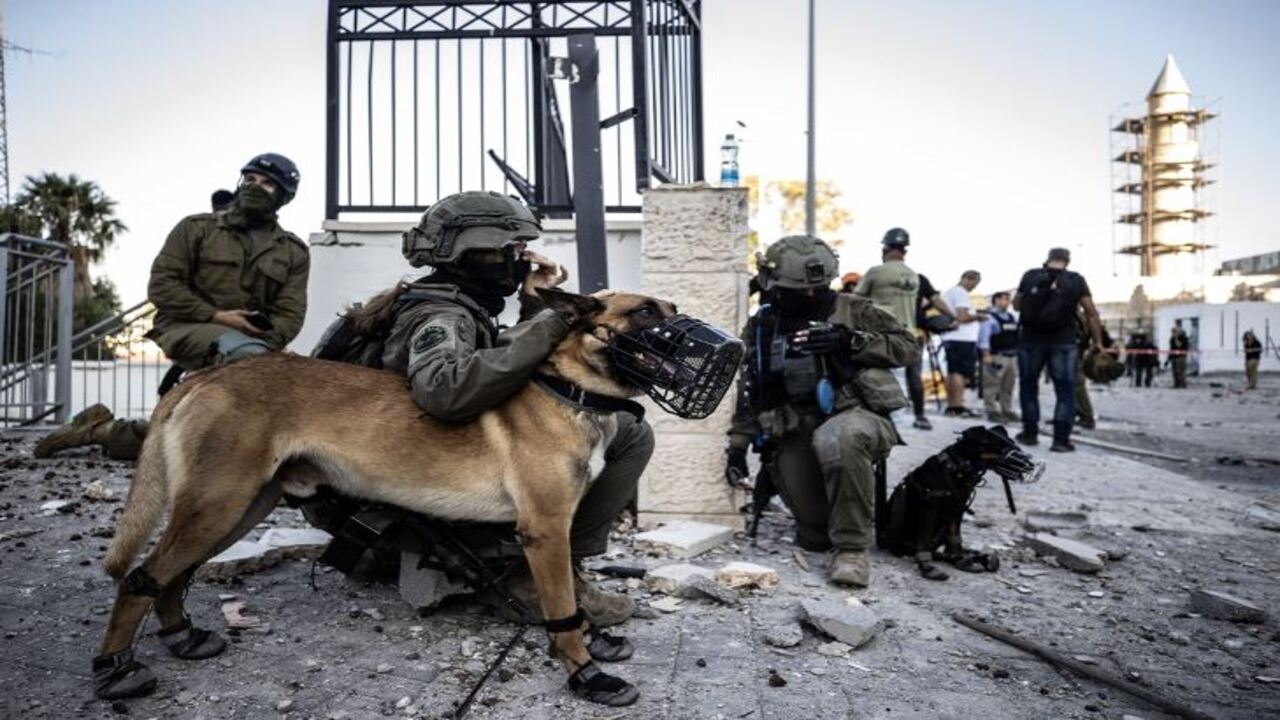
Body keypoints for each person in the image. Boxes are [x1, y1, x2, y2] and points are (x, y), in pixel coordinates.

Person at [376, 190, 652, 625]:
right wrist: (552, 317)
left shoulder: (463, 303)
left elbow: (504, 362)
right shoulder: (441, 315)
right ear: (470, 252)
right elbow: (445, 393)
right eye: (511, 249)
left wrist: (534, 303)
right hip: (424, 474)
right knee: (627, 435)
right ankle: (534, 570)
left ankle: (559, 563)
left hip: (453, 454)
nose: (523, 258)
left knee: (624, 427)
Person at [35, 153, 309, 461]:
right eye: (250, 179)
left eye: (267, 184)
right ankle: (259, 469)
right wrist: (218, 317)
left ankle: (103, 430)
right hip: (184, 326)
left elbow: (290, 313)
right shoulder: (196, 229)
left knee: (205, 432)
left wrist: (265, 347)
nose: (255, 187)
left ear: (283, 197)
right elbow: (162, 287)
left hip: (250, 345)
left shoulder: (293, 251)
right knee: (250, 368)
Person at [726, 235, 919, 587]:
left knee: (839, 437)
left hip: (858, 414)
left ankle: (852, 550)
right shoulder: (762, 327)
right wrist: (738, 446)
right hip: (797, 424)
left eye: (819, 289)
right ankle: (836, 527)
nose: (812, 297)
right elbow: (750, 388)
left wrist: (850, 342)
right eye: (801, 291)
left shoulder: (854, 309)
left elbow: (908, 347)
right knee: (815, 532)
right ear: (773, 284)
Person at [1013, 248, 1102, 452]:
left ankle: (1029, 434)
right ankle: (1060, 440)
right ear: (1067, 261)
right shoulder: (1075, 280)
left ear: (1048, 259)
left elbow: (1017, 305)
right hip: (1063, 341)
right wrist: (1097, 341)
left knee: (1028, 387)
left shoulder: (1030, 275)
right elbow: (1091, 312)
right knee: (1065, 391)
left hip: (1030, 340)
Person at [853, 228, 925, 426]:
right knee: (904, 378)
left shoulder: (877, 271)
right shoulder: (913, 276)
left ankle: (886, 421)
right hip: (908, 333)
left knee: (879, 377)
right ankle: (900, 420)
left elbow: (856, 300)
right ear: (905, 251)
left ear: (885, 248)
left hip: (881, 333)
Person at [910, 272, 957, 429]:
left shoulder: (878, 276)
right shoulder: (918, 278)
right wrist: (952, 317)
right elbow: (936, 301)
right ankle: (920, 415)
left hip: (888, 332)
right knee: (914, 375)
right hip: (914, 333)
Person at [939, 271, 986, 417]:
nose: (974, 287)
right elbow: (962, 316)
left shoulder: (949, 293)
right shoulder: (961, 293)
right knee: (960, 373)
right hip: (962, 339)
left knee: (952, 372)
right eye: (974, 283)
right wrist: (979, 316)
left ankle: (951, 405)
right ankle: (958, 405)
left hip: (951, 337)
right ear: (967, 279)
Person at [977, 291, 1018, 423]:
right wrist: (986, 355)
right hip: (996, 356)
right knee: (992, 385)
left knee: (1008, 386)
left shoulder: (1011, 317)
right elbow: (984, 338)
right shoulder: (989, 318)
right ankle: (992, 411)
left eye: (1008, 299)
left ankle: (1007, 410)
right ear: (996, 300)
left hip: (1011, 357)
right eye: (1005, 299)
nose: (1007, 302)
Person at [1168, 321, 1191, 388]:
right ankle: (1176, 384)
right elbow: (1171, 348)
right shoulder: (1172, 339)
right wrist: (1169, 357)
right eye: (1173, 332)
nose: (1173, 333)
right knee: (1174, 372)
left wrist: (1176, 338)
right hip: (1174, 357)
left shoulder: (1184, 338)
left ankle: (1183, 384)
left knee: (1180, 372)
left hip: (1181, 357)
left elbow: (1179, 345)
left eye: (1175, 332)